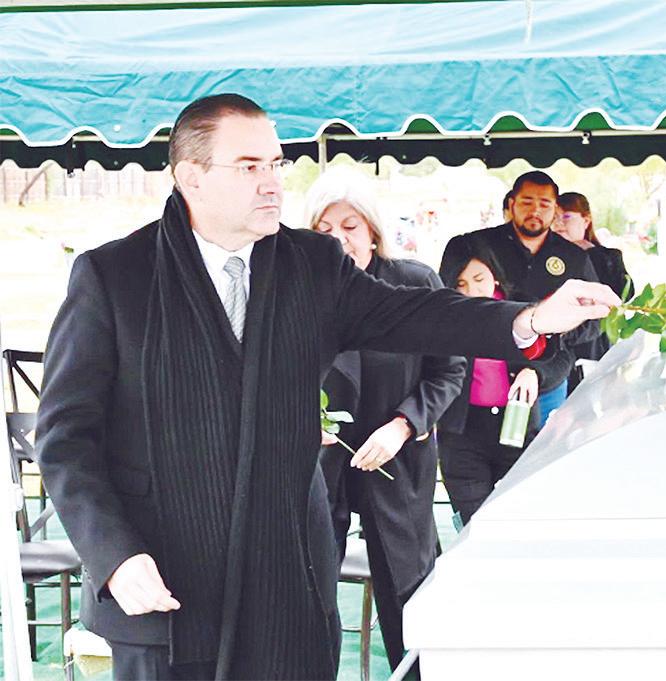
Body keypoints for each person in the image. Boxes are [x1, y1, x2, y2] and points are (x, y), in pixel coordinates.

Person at [33, 93, 619, 681]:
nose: (272, 183)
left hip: (288, 574)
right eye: (249, 166)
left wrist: (532, 318)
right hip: (160, 581)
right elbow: (65, 439)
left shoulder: (311, 263)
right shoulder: (115, 275)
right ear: (192, 177)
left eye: (275, 164)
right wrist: (114, 555)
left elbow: (414, 314)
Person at [305, 169, 465, 675]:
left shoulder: (413, 283)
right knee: (310, 591)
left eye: (349, 226)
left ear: (372, 231)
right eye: (324, 229)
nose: (338, 239)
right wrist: (298, 419)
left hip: (397, 459)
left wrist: (403, 425)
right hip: (321, 464)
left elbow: (448, 371)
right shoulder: (297, 291)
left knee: (407, 589)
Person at [442, 171, 600, 426]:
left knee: (542, 445)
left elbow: (593, 319)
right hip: (482, 379)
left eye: (544, 204)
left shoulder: (574, 257)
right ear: (512, 203)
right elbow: (445, 303)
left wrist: (554, 334)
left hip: (549, 375)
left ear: (555, 209)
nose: (535, 210)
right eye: (527, 202)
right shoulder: (478, 245)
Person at [437, 239, 547, 526]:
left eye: (479, 279)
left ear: (494, 275)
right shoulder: (441, 316)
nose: (471, 291)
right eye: (460, 284)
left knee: (523, 518)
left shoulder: (523, 309)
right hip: (462, 433)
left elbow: (558, 356)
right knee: (474, 523)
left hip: (517, 427)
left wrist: (533, 372)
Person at [554, 192, 631, 389]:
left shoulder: (609, 257)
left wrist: (590, 254)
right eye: (554, 217)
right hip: (559, 347)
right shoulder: (548, 259)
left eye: (566, 216)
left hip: (595, 345)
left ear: (586, 220)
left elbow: (623, 296)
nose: (559, 223)